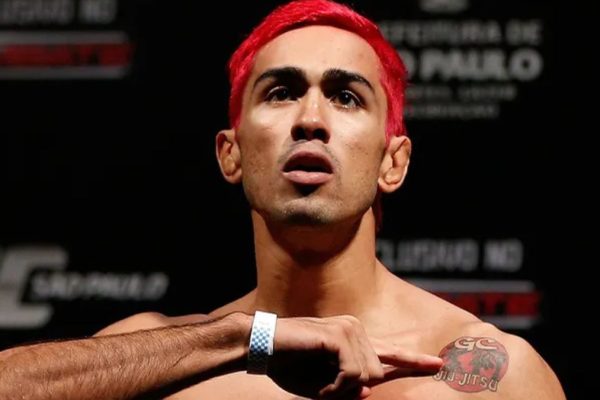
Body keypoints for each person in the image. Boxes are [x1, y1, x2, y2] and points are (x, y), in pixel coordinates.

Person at [0, 0, 565, 399]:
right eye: (281, 92)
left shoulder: (488, 375)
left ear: (392, 162)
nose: (310, 119)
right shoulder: (163, 363)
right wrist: (248, 338)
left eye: (346, 97)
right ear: (231, 154)